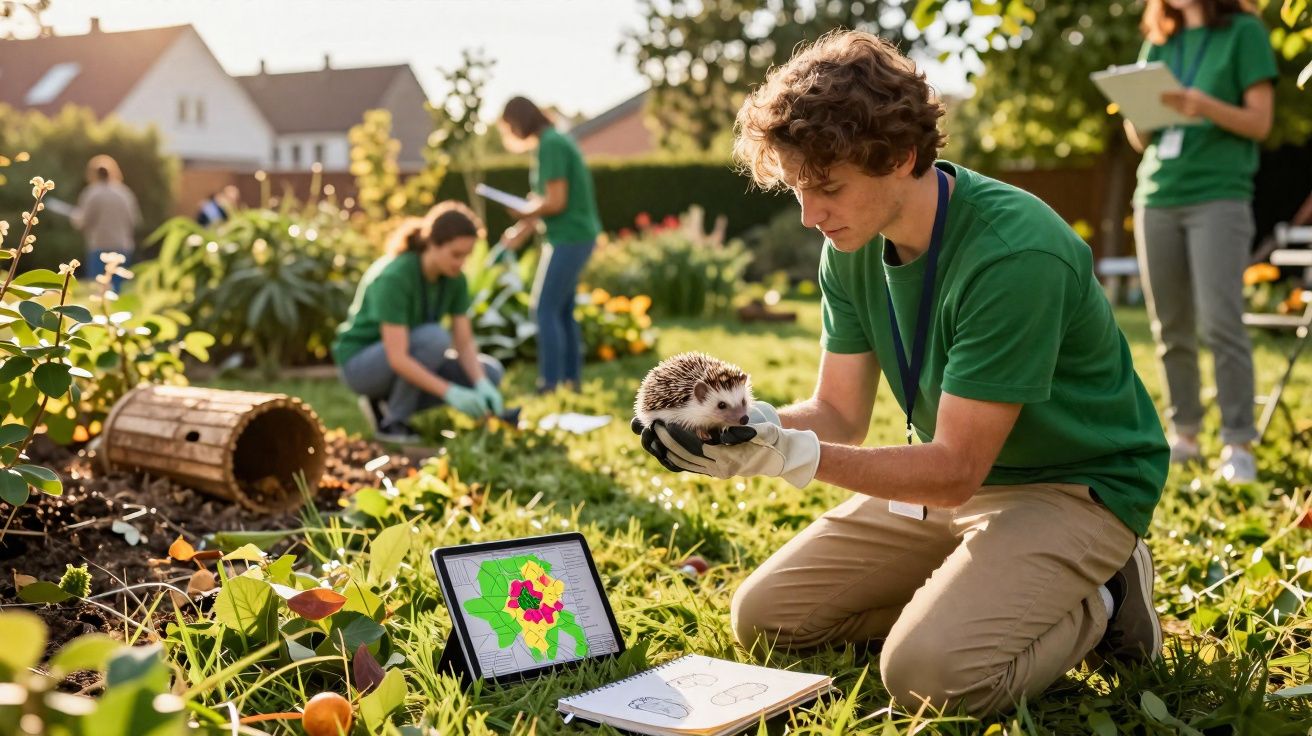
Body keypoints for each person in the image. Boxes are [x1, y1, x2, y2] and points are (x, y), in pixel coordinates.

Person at [635, 31, 1170, 716]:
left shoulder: (1013, 254)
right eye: (798, 189)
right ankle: (981, 596)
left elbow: (954, 470)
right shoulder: (849, 245)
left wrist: (792, 455)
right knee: (766, 618)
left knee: (927, 678)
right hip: (947, 485)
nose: (810, 216)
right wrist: (741, 431)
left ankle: (1104, 594)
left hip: (1073, 488)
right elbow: (838, 414)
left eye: (828, 188)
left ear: (901, 158)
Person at [1126, 0, 1277, 483]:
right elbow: (1141, 138)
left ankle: (1238, 442)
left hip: (1219, 196)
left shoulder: (1244, 33)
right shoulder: (1160, 41)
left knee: (1220, 321)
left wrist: (1202, 105)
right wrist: (1137, 111)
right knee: (1170, 327)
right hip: (1156, 196)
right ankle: (1185, 435)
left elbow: (1260, 123)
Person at [333, 201, 505, 443]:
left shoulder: (455, 279)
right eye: (456, 255)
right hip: (361, 365)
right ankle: (394, 422)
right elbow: (398, 357)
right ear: (432, 244)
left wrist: (481, 383)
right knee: (435, 338)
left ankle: (383, 403)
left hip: (408, 354)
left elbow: (464, 343)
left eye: (466, 256)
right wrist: (450, 392)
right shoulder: (395, 277)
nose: (461, 263)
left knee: (490, 373)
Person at [497, 96, 602, 393]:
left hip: (571, 236)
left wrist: (523, 213)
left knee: (543, 309)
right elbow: (544, 203)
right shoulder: (553, 141)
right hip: (573, 235)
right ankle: (570, 381)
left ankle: (549, 383)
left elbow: (555, 203)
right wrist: (520, 231)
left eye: (509, 126)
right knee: (562, 310)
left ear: (518, 121)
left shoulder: (551, 145)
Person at [71, 154, 141, 291]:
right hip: (122, 246)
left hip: (99, 247)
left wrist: (75, 218)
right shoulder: (124, 193)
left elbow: (82, 222)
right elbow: (134, 220)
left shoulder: (92, 193)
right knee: (118, 290)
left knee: (99, 289)